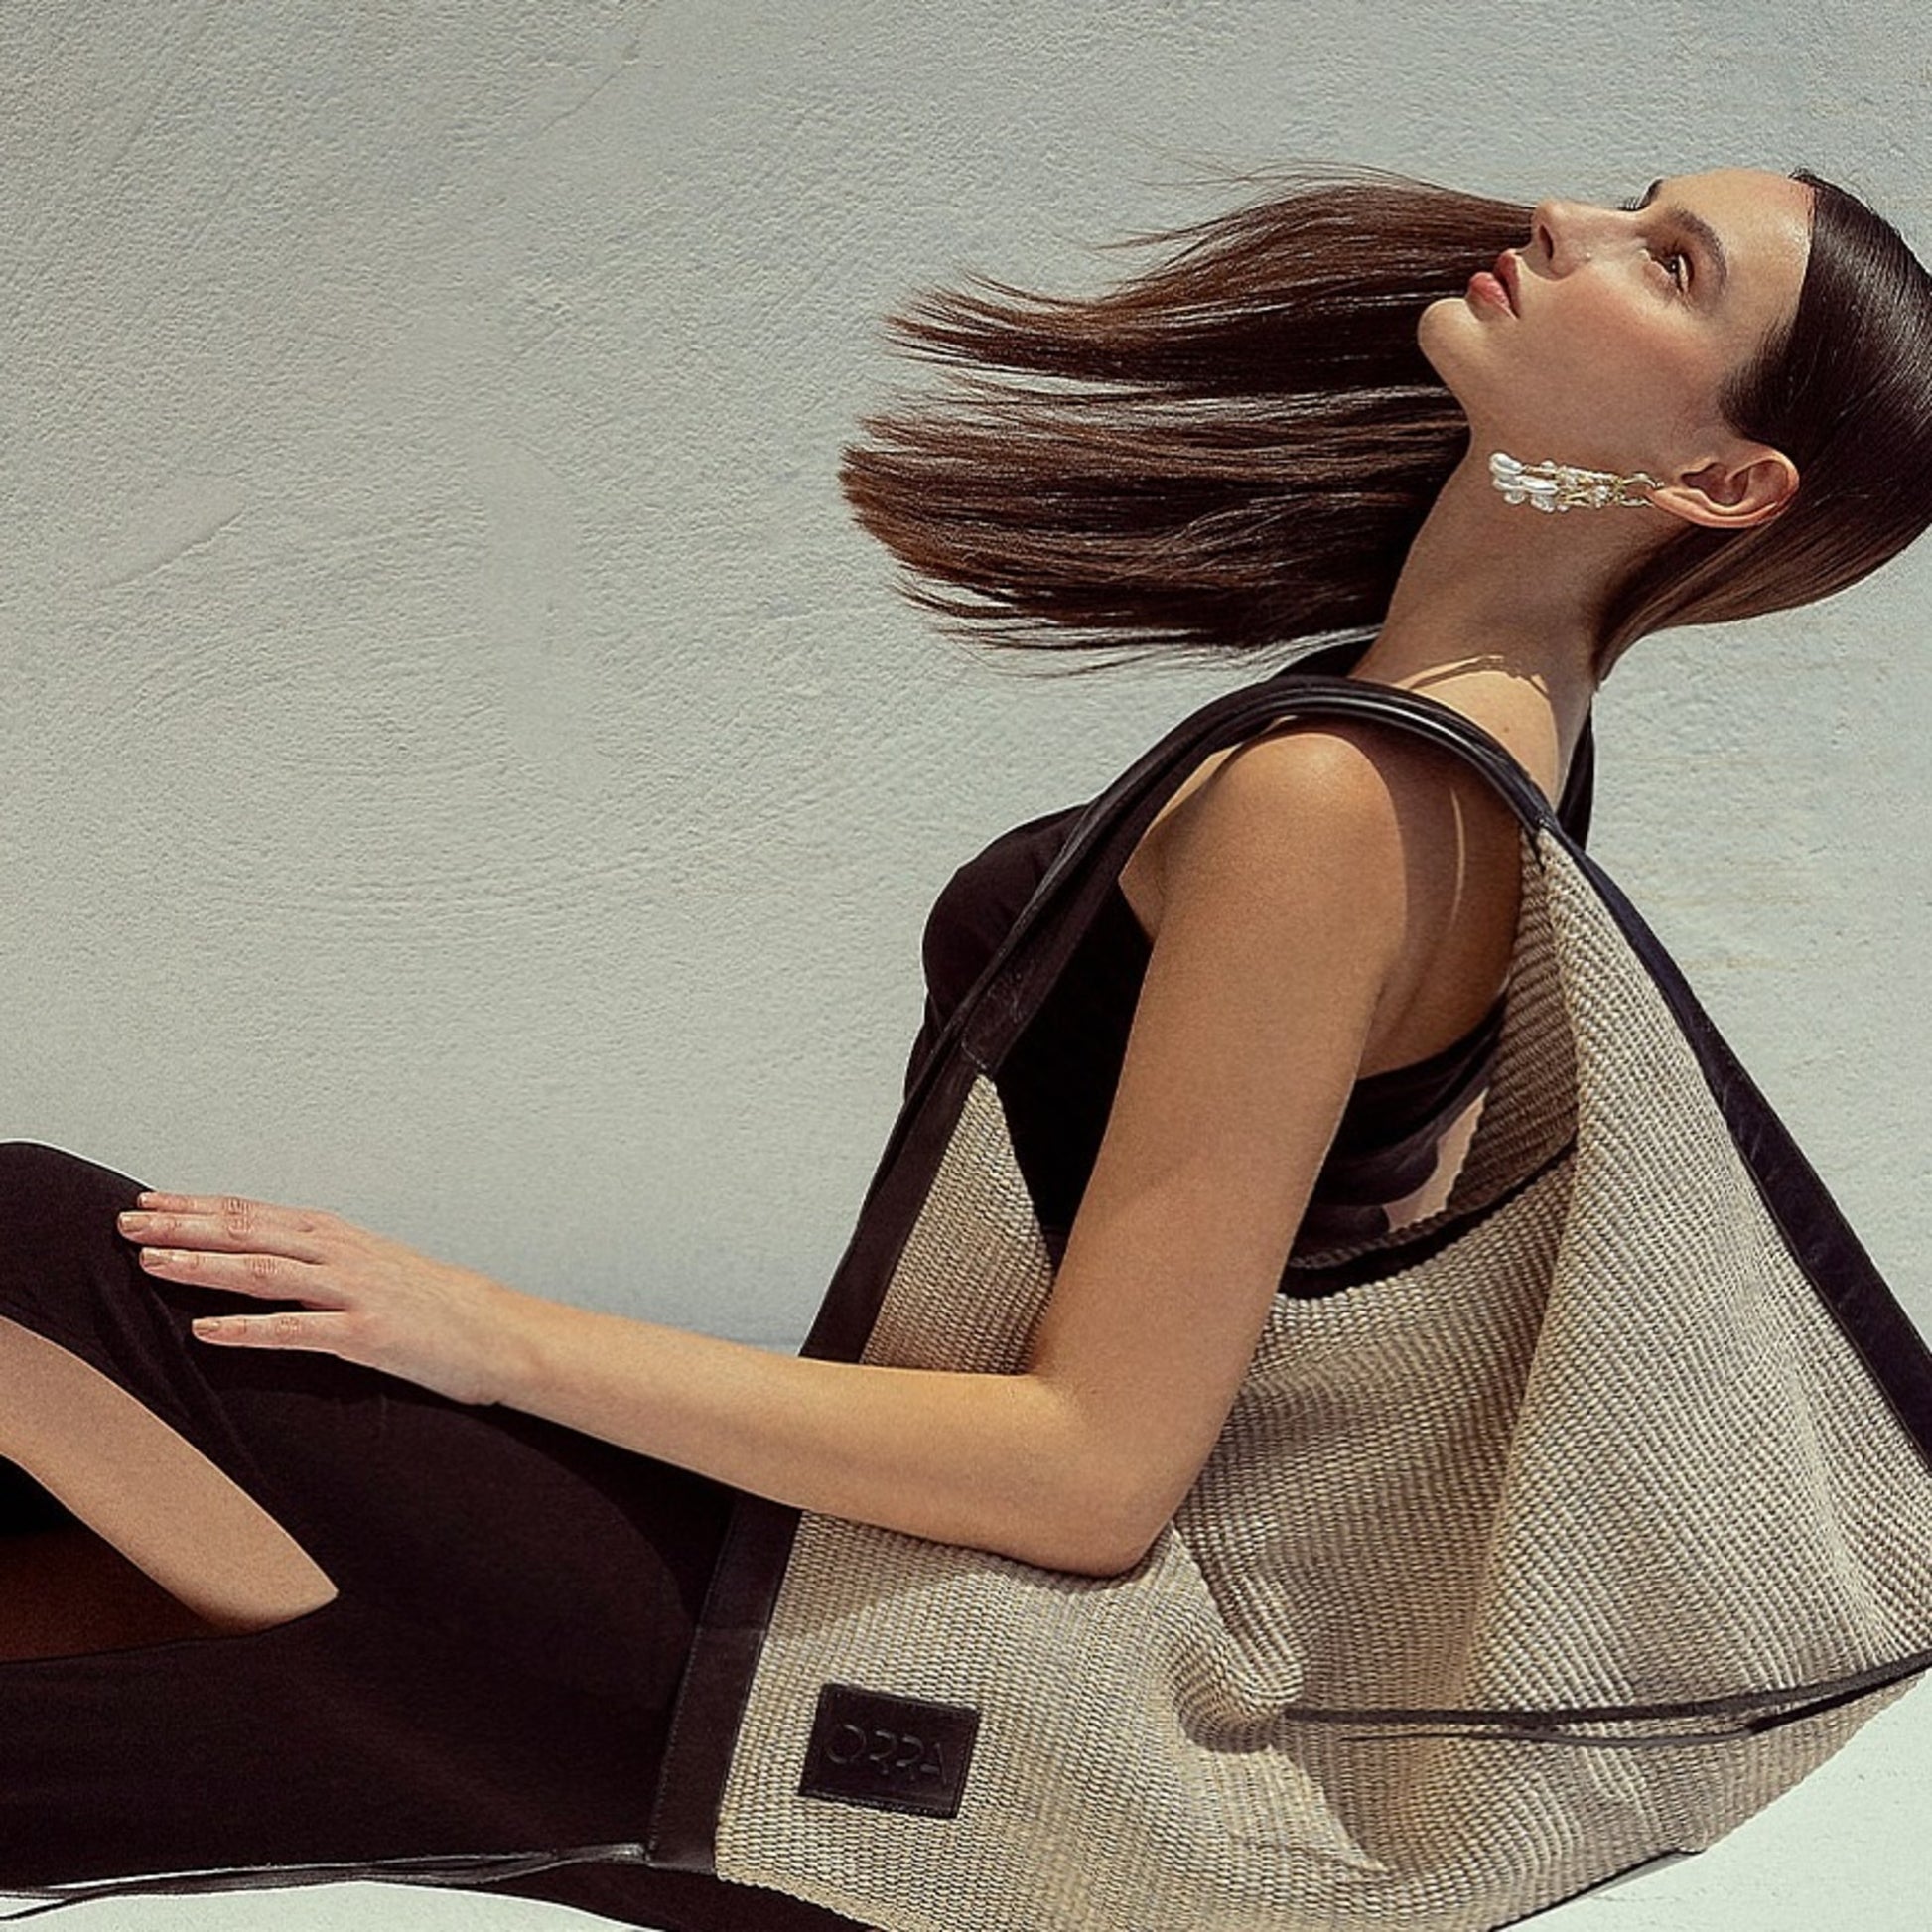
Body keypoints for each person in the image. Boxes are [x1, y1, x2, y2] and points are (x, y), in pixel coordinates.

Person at [1, 160, 1928, 1932]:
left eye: (1669, 265)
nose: (1574, 222)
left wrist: (489, 1329)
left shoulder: (1341, 801)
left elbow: (1096, 1466)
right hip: (841, 1627)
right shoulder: (1493, 752)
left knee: (37, 1257)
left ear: (1724, 482)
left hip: (828, 1690)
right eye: (1635, 201)